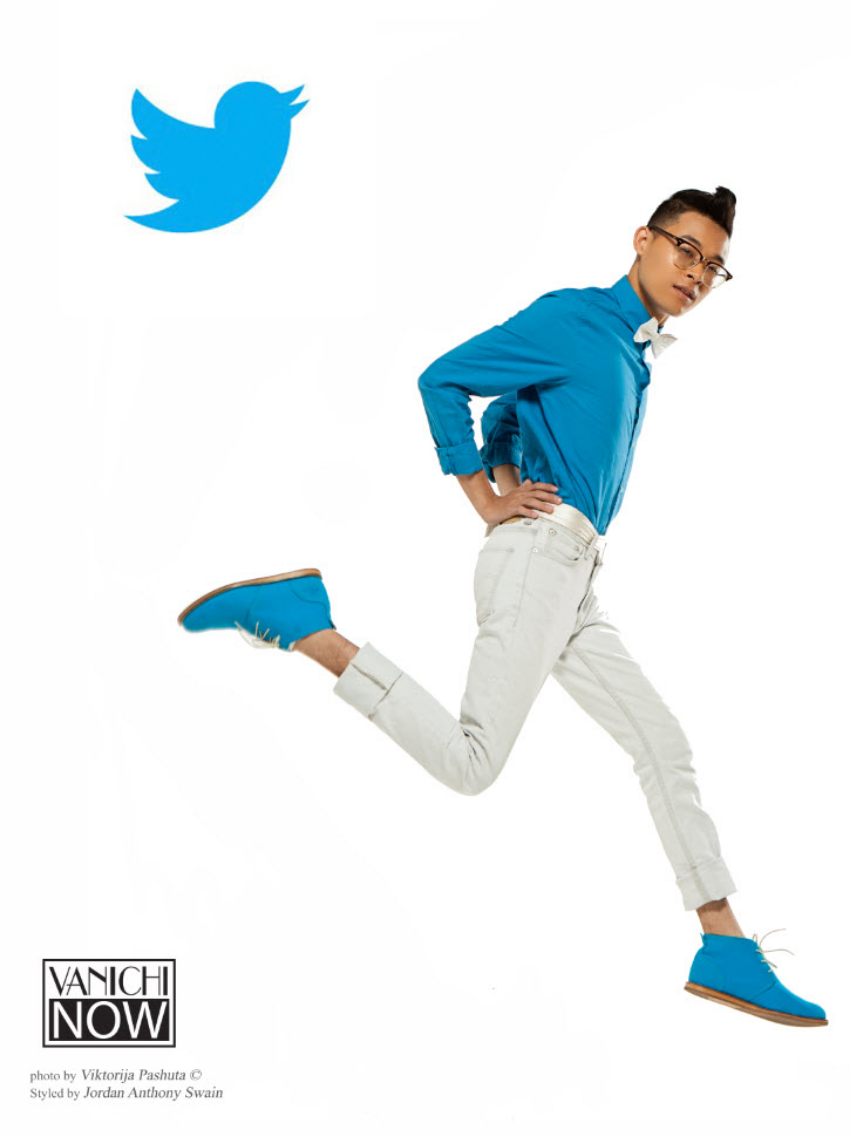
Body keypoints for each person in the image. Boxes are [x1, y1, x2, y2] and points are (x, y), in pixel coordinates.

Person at [177, 185, 827, 1027]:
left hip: (573, 579)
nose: (697, 274)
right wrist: (487, 499)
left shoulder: (630, 351)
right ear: (643, 239)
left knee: (664, 744)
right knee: (472, 762)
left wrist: (507, 466)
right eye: (686, 250)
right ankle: (310, 627)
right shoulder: (575, 319)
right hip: (535, 563)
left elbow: (512, 413)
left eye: (714, 266)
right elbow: (443, 378)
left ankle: (724, 945)